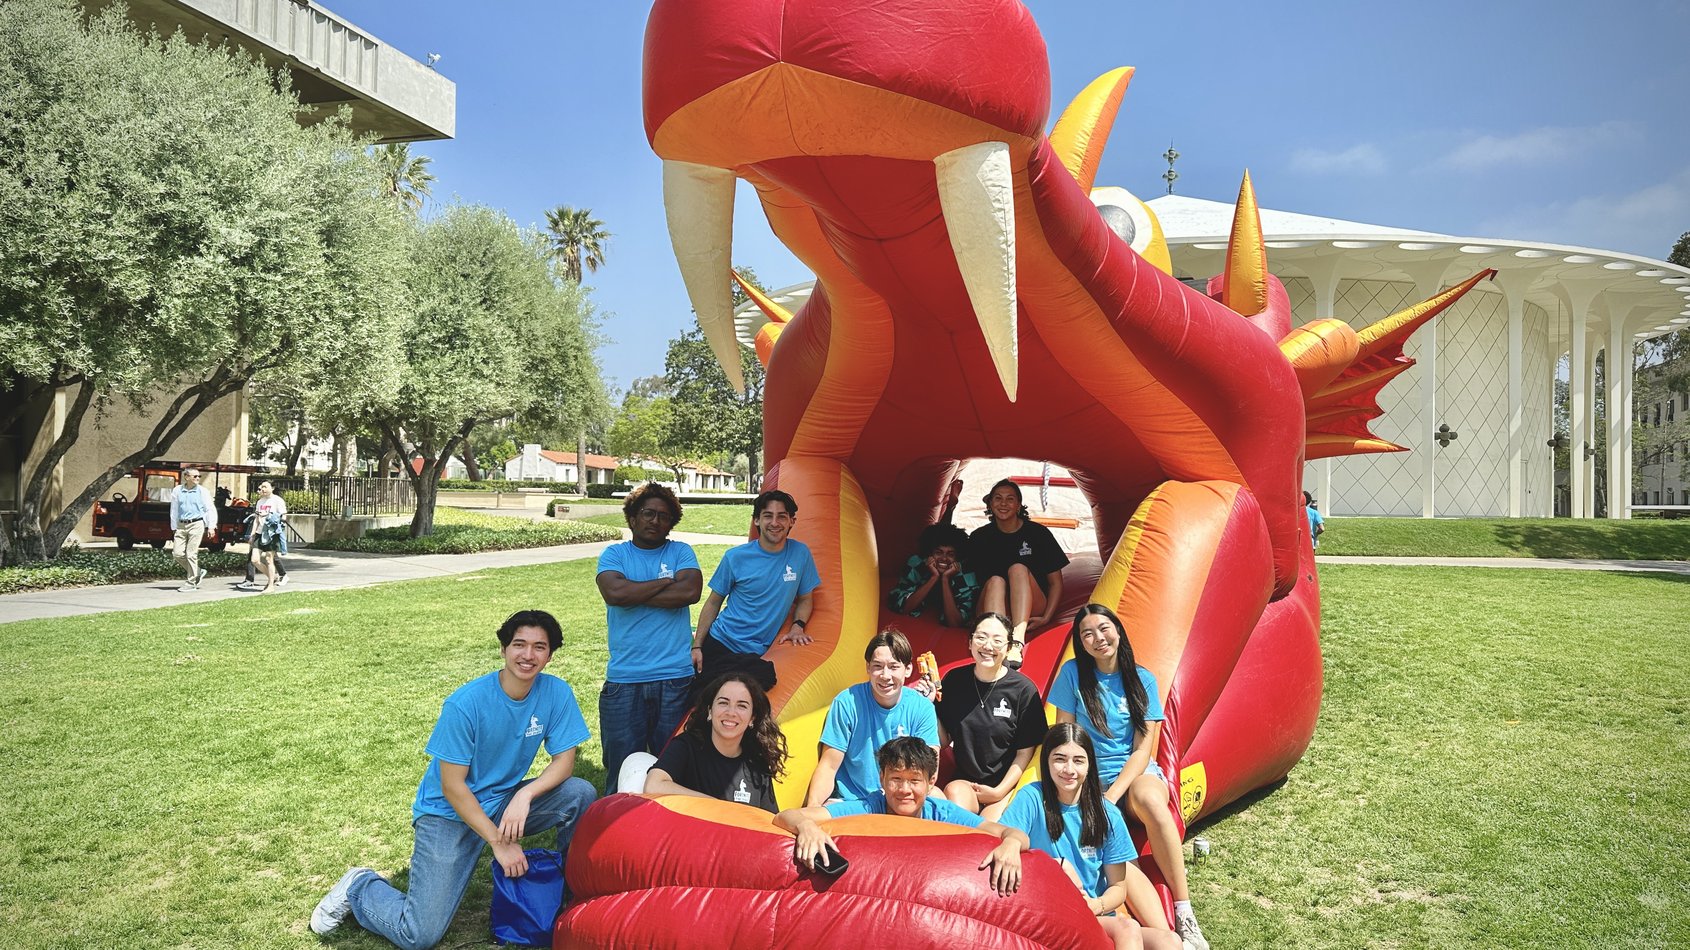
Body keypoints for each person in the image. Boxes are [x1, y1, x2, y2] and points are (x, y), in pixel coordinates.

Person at [310, 611, 598, 950]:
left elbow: (565, 762)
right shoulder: (466, 704)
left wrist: (526, 795)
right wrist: (498, 842)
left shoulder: (555, 692)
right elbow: (452, 786)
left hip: (503, 801)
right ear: (504, 649)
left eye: (539, 647)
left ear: (550, 654)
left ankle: (573, 893)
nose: (528, 655)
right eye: (519, 644)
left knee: (579, 792)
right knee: (418, 935)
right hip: (448, 813)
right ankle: (360, 887)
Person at [1049, 604, 1208, 950]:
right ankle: (1158, 934)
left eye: (1103, 629)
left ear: (1118, 631)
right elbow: (1067, 738)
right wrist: (1085, 789)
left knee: (1151, 800)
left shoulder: (1141, 678)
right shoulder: (1073, 675)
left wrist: (1110, 796)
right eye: (1087, 633)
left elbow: (1142, 750)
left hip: (1134, 774)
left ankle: (1184, 911)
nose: (1097, 638)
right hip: (1089, 776)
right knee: (1110, 844)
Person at [1000, 724, 1181, 950]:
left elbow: (1118, 888)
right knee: (1128, 928)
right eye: (1059, 759)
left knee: (1170, 941)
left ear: (1089, 765)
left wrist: (1096, 905)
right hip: (1049, 911)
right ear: (1046, 761)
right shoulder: (1032, 797)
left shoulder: (1107, 814)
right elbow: (1007, 832)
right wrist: (1013, 842)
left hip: (1094, 914)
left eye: (1078, 760)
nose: (1069, 769)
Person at [774, 737, 1028, 896]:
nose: (905, 790)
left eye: (914, 781)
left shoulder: (942, 813)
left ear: (931, 783)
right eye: (896, 779)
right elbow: (786, 815)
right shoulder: (869, 806)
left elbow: (1012, 833)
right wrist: (806, 826)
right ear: (882, 778)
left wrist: (1011, 843)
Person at [595, 483, 702, 793]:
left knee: (673, 766)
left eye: (664, 516)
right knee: (620, 766)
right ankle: (615, 830)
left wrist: (634, 592)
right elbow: (614, 593)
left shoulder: (681, 551)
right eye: (648, 514)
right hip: (625, 678)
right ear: (632, 518)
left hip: (675, 678)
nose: (656, 521)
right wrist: (665, 581)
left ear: (672, 522)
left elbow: (690, 592)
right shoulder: (615, 553)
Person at [692, 489, 820, 692]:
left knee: (763, 678)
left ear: (792, 521)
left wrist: (798, 626)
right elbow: (713, 602)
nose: (775, 523)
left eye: (782, 516)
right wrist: (697, 645)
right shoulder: (735, 557)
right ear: (757, 521)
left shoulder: (800, 554)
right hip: (721, 642)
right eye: (768, 516)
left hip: (755, 653)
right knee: (705, 699)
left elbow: (805, 598)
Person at [804, 629, 940, 805]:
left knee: (938, 798)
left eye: (893, 667)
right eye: (877, 666)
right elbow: (829, 766)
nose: (885, 675)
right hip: (853, 800)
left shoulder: (922, 707)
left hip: (902, 799)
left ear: (907, 670)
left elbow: (930, 768)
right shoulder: (847, 703)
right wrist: (812, 809)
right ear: (868, 668)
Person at [935, 612, 1047, 820]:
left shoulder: (1023, 690)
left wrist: (999, 791)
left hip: (1005, 786)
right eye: (981, 637)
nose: (988, 646)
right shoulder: (954, 680)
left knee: (989, 830)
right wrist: (927, 704)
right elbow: (943, 740)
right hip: (966, 783)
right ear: (970, 643)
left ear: (1008, 647)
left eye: (997, 640)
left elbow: (1025, 754)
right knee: (954, 799)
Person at [641, 672, 788, 813]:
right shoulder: (687, 746)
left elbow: (769, 821)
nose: (731, 712)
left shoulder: (757, 763)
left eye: (742, 705)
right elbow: (653, 785)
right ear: (710, 711)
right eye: (723, 703)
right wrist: (717, 807)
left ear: (752, 719)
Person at [967, 479, 1068, 667]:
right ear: (990, 504)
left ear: (1019, 505)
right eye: (997, 498)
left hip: (1030, 607)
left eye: (1010, 499)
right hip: (993, 605)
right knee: (996, 580)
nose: (1003, 504)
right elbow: (965, 583)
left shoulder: (1038, 534)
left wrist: (1047, 616)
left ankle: (1016, 641)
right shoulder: (979, 537)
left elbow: (1055, 582)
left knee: (1018, 568)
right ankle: (997, 638)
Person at [887, 522, 980, 627]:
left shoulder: (966, 574)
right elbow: (904, 608)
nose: (944, 558)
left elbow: (954, 623)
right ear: (929, 554)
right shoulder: (916, 563)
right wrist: (934, 578)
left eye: (950, 554)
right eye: (938, 552)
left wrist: (945, 579)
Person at [169, 467, 217, 592]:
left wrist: (211, 526)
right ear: (186, 477)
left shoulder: (202, 491)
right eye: (194, 476)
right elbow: (174, 509)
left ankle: (191, 582)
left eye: (199, 476)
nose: (197, 478)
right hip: (181, 525)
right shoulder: (177, 490)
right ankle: (198, 572)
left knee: (191, 554)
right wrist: (173, 526)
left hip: (196, 524)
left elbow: (209, 509)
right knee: (177, 554)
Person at [244, 480, 287, 593]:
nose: (262, 489)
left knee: (269, 559)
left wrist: (272, 518)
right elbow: (257, 520)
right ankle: (273, 577)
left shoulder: (278, 501)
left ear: (272, 488)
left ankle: (270, 586)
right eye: (261, 487)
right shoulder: (260, 502)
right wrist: (252, 534)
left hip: (271, 534)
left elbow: (283, 517)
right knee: (254, 560)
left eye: (265, 487)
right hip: (259, 533)